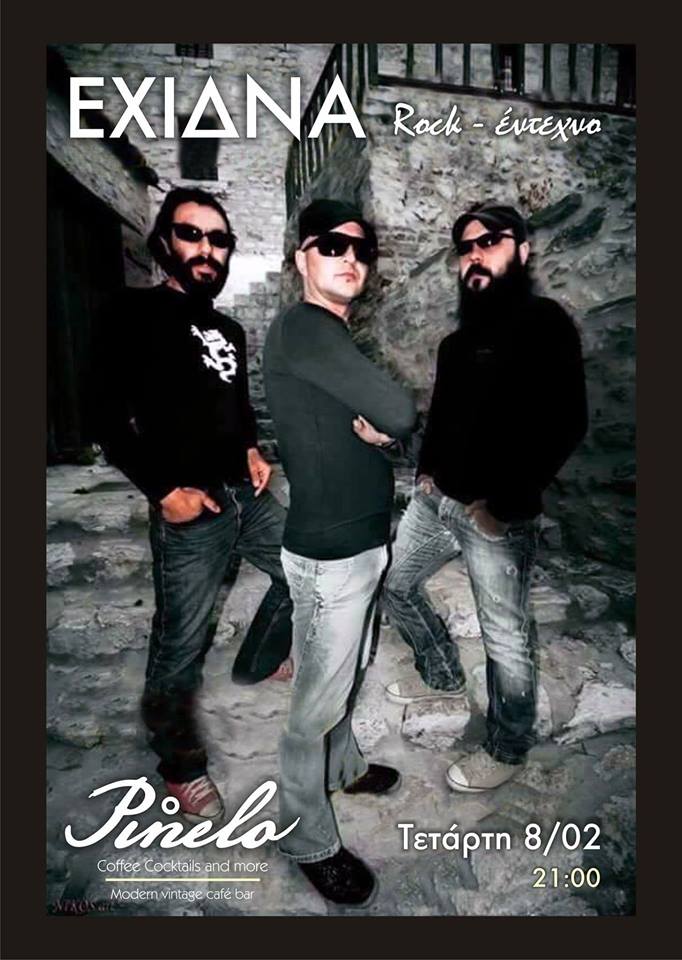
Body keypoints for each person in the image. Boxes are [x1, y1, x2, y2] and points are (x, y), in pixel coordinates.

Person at [93, 187, 292, 823]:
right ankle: (179, 764)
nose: (208, 249)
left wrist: (253, 448)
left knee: (305, 568)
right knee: (180, 642)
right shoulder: (130, 312)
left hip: (245, 494)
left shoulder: (227, 327)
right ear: (164, 242)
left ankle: (259, 659)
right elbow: (104, 416)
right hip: (191, 506)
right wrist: (163, 491)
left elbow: (235, 406)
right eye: (192, 234)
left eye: (220, 239)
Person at [382, 201, 588, 793]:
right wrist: (426, 473)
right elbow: (444, 415)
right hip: (436, 503)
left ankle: (506, 746)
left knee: (506, 637)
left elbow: (566, 423)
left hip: (494, 517)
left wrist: (501, 504)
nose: (475, 255)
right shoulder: (456, 342)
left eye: (490, 242)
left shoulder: (544, 323)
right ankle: (442, 673)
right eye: (466, 248)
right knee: (395, 584)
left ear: (522, 251)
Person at [263, 199, 417, 905]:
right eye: (331, 245)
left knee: (345, 673)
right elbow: (399, 411)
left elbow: (381, 422)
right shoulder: (306, 327)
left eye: (360, 249)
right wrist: (388, 428)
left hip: (356, 543)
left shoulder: (327, 336)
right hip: (331, 554)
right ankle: (306, 837)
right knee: (313, 706)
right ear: (302, 258)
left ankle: (344, 767)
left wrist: (382, 434)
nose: (349, 257)